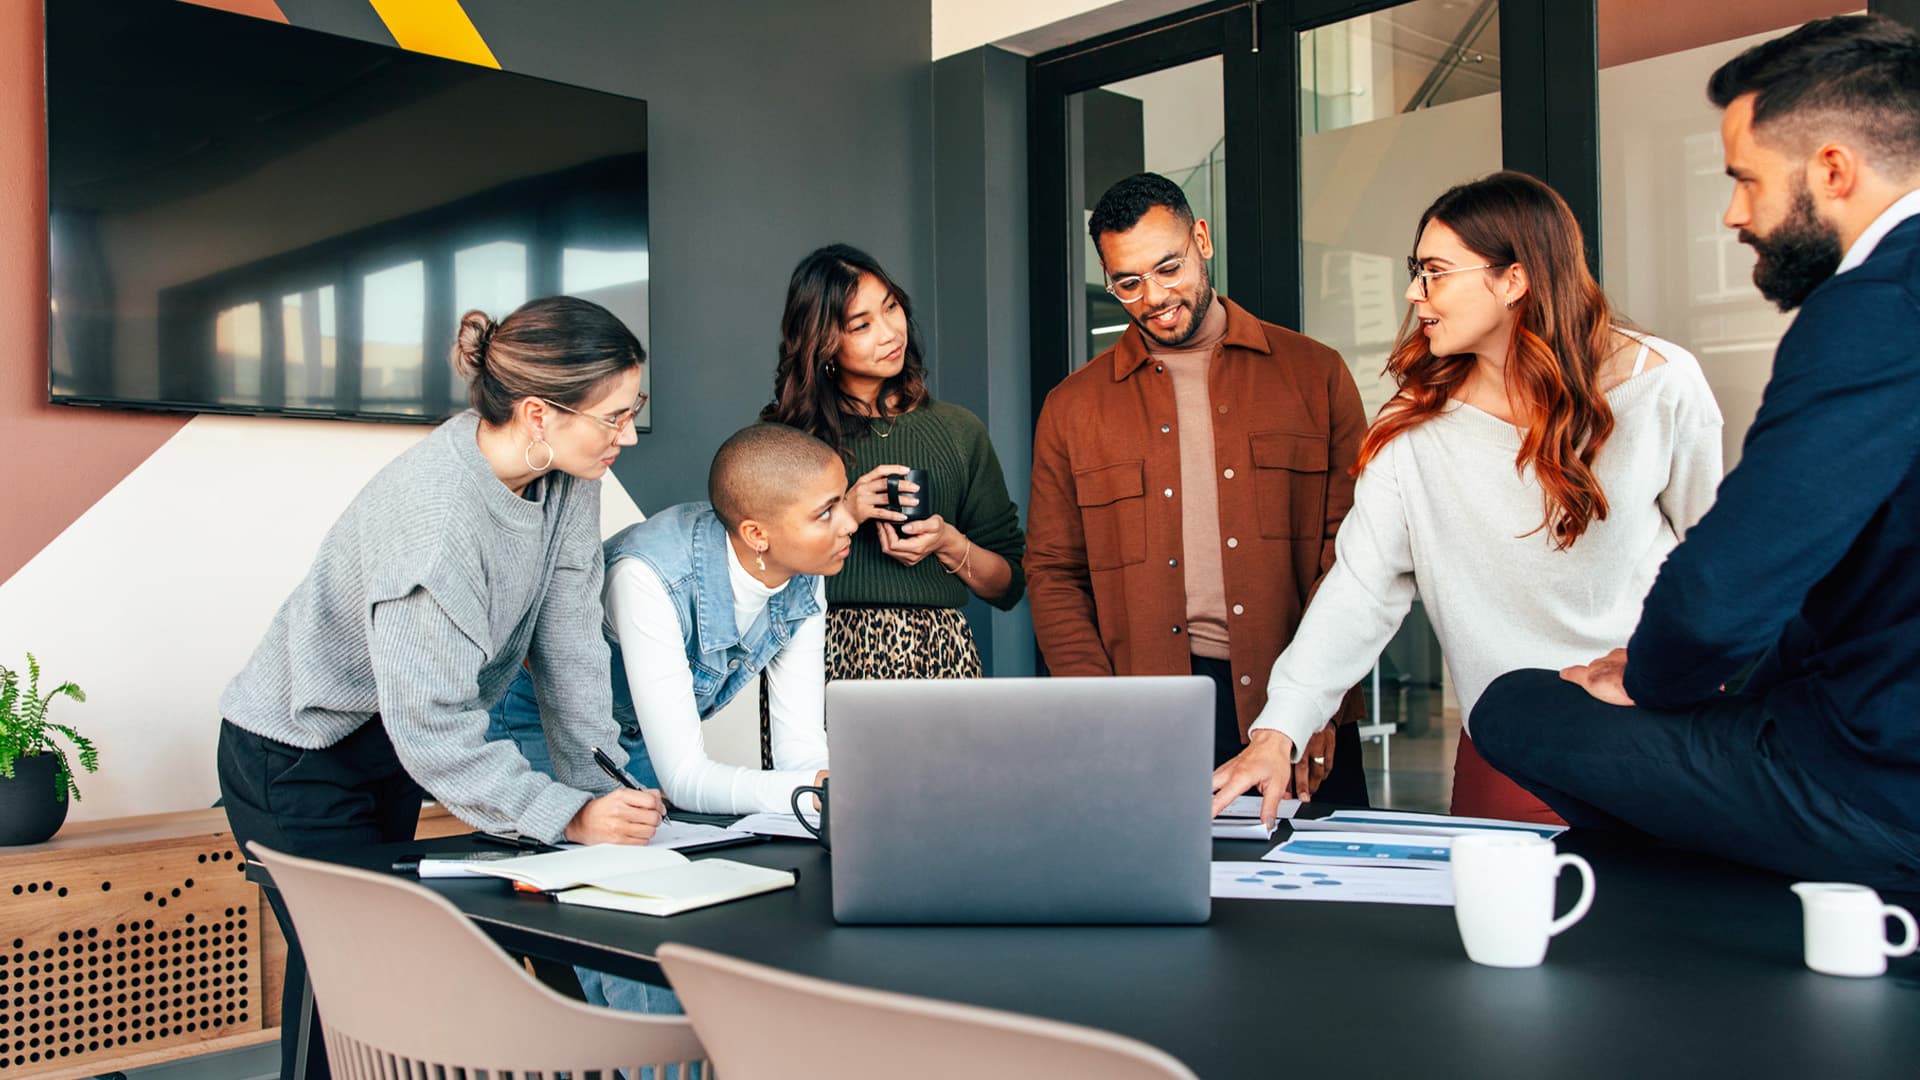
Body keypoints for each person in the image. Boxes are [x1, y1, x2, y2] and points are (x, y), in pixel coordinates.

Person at [1472, 14, 1920, 892]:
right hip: (1861, 723)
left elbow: (1722, 591)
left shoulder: (1874, 308)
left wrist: (1648, 675)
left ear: (1833, 168)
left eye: (1747, 180)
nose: (1735, 213)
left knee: (1516, 706)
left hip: (1872, 786)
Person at [217, 296, 662, 1079]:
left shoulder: (566, 470)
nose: (627, 435)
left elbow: (570, 646)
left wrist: (603, 798)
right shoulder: (433, 522)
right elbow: (435, 731)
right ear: (537, 413)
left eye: (636, 410)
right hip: (298, 754)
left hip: (390, 743)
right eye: (614, 417)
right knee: (356, 986)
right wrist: (568, 817)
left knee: (392, 987)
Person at [1208, 172, 1723, 825]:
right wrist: (1278, 729)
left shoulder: (1662, 385)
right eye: (1414, 271)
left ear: (1513, 280)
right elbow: (1360, 590)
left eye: (1433, 272)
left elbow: (1711, 560)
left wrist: (1680, 673)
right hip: (1509, 749)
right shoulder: (1413, 428)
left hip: (1658, 731)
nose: (1412, 293)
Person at [490, 421, 857, 1016]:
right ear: (757, 533)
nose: (849, 523)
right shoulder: (648, 577)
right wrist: (823, 792)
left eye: (844, 500)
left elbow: (799, 752)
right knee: (615, 904)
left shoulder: (804, 579)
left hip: (626, 733)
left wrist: (825, 785)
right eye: (827, 513)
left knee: (678, 888)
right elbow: (685, 776)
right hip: (543, 719)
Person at [761, 244, 1025, 706]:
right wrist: (846, 511)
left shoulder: (958, 431)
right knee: (823, 782)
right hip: (817, 659)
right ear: (823, 343)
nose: (889, 333)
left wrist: (947, 542)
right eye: (861, 325)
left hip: (942, 660)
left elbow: (1009, 586)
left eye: (891, 308)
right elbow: (756, 569)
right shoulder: (789, 439)